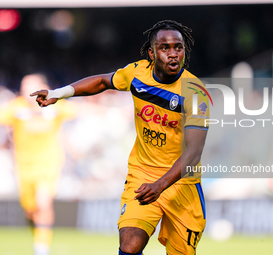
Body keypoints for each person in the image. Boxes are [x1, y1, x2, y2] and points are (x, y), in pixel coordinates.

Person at [31, 20, 209, 255]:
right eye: (164, 47)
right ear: (151, 53)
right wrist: (58, 93)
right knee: (130, 244)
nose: (173, 53)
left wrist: (161, 185)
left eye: (178, 47)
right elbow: (103, 82)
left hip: (182, 185)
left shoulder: (196, 94)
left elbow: (193, 153)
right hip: (143, 175)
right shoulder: (137, 74)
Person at [0, 74, 76, 255]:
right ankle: (38, 234)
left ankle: (42, 248)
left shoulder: (55, 104)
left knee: (43, 203)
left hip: (49, 164)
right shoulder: (16, 108)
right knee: (31, 210)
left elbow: (78, 110)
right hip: (23, 168)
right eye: (24, 86)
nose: (25, 90)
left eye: (30, 86)